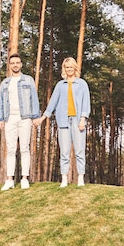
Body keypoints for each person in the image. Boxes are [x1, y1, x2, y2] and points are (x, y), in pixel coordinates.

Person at [34, 57, 90, 187]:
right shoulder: (60, 85)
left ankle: (80, 177)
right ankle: (64, 178)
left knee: (79, 150)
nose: (69, 69)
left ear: (75, 68)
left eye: (71, 67)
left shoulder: (82, 84)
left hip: (77, 121)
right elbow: (52, 103)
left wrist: (83, 119)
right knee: (64, 151)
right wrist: (43, 118)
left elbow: (86, 103)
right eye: (67, 67)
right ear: (64, 69)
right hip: (63, 121)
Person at [0, 53, 40, 191]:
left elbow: (34, 99)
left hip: (25, 118)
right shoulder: (5, 83)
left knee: (25, 148)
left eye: (17, 62)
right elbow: (1, 103)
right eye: (12, 63)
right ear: (9, 65)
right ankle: (9, 179)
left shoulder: (28, 80)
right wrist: (0, 119)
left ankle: (25, 178)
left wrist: (35, 116)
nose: (15, 65)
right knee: (10, 149)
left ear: (21, 64)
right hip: (10, 118)